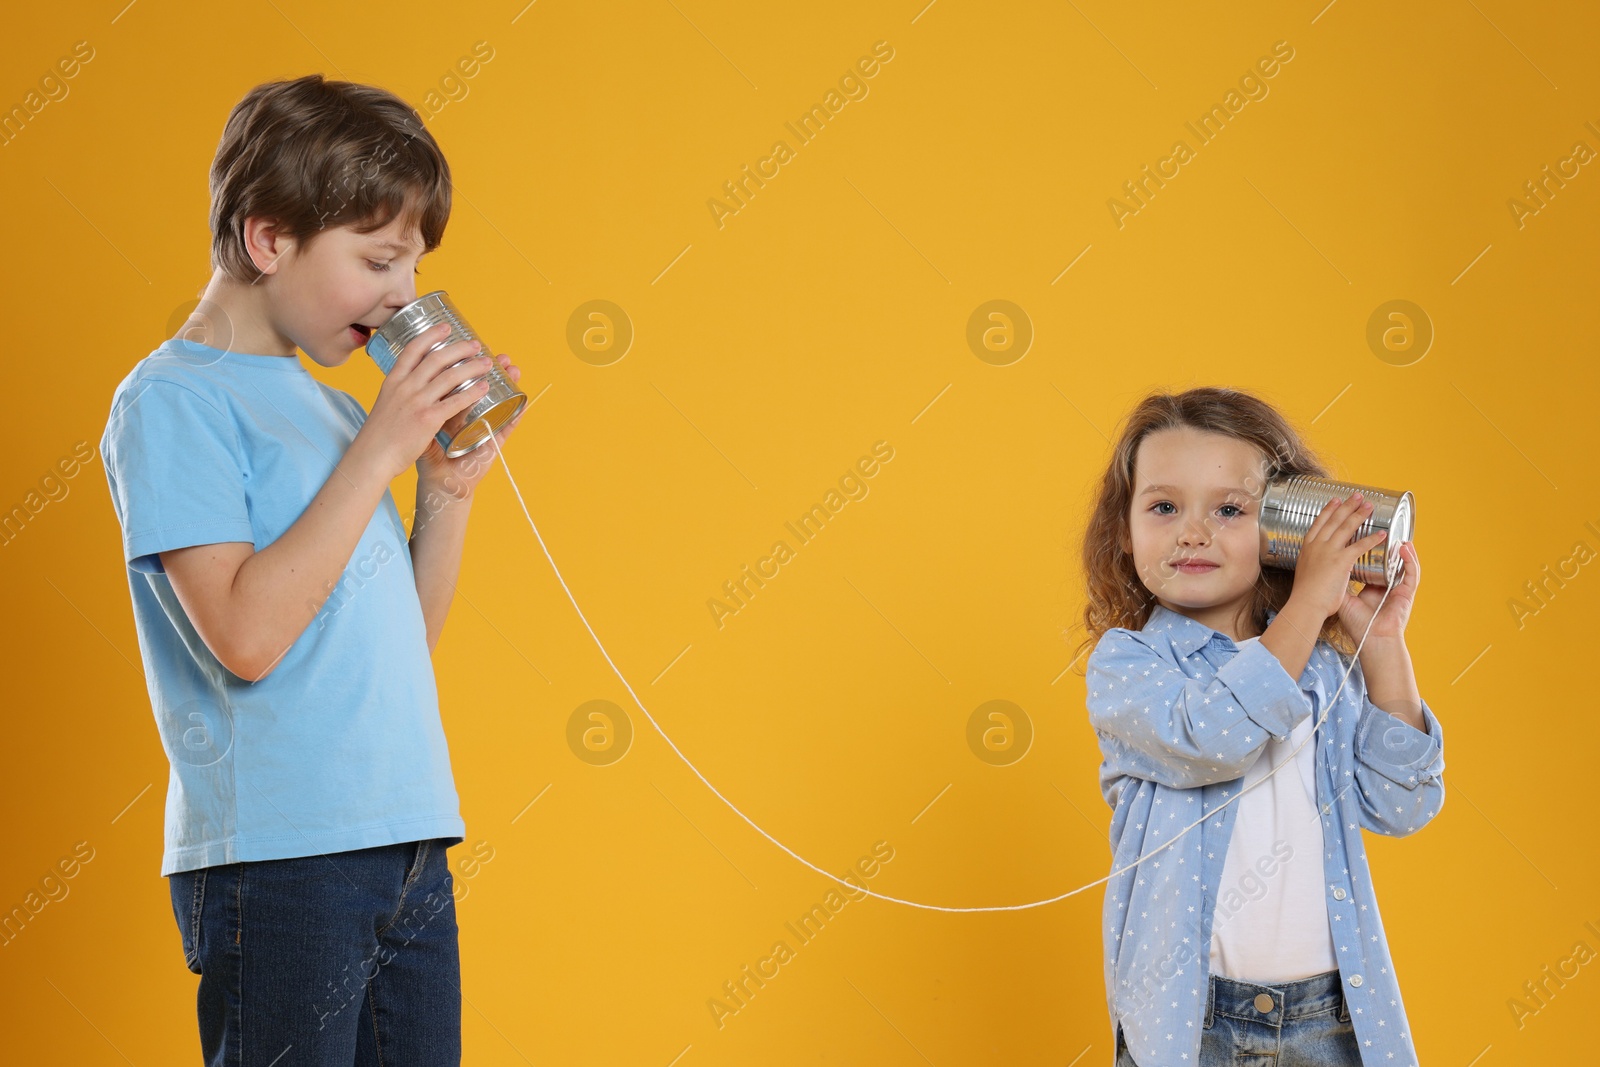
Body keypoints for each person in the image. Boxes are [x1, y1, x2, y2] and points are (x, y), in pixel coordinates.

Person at [98, 73, 523, 1065]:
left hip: (407, 836)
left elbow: (399, 645)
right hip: (283, 858)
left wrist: (446, 492)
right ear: (268, 239)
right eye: (378, 259)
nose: (401, 296)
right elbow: (247, 638)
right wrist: (379, 449)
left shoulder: (335, 409)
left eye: (413, 269)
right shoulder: (172, 402)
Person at [1076, 387, 1443, 1067]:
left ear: (1285, 528)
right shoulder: (1131, 665)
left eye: (1229, 509)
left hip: (1328, 1017)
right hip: (1193, 1022)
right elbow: (1211, 735)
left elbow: (1404, 803)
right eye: (1163, 507)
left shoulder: (1324, 672)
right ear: (1123, 532)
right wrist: (1310, 600)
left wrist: (1383, 645)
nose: (1193, 531)